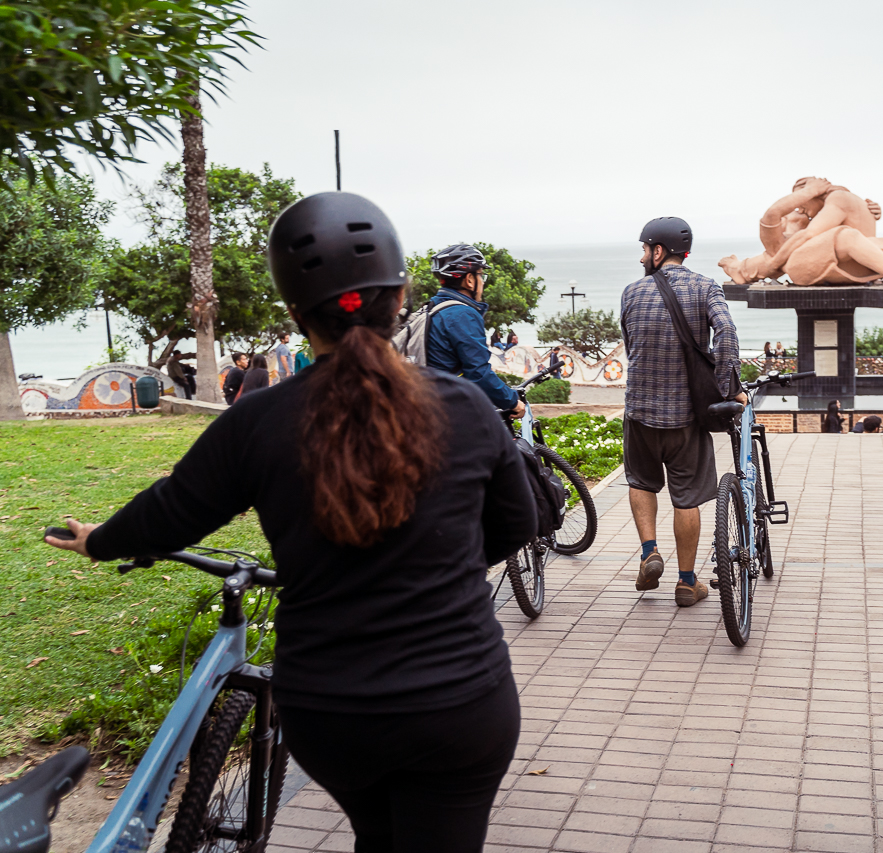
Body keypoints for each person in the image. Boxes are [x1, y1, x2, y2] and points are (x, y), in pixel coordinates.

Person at [46, 192, 536, 852]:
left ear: (295, 312)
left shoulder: (257, 422)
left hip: (333, 717)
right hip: (460, 705)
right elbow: (516, 523)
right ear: (399, 297)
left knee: (378, 832)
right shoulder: (469, 410)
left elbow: (171, 511)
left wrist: (97, 539)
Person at [621, 216, 744, 608]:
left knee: (641, 482)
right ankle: (687, 583)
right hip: (687, 417)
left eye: (644, 249)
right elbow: (727, 333)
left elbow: (630, 345)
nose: (642, 256)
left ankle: (649, 553)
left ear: (658, 251)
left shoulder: (631, 293)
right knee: (686, 499)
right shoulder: (707, 287)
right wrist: (727, 387)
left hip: (640, 411)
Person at [718, 177, 883, 290]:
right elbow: (772, 217)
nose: (800, 209)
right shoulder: (784, 227)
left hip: (835, 264)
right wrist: (807, 193)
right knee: (846, 235)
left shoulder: (829, 207)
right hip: (793, 266)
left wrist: (865, 211)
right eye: (796, 207)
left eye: (802, 202)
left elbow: (861, 244)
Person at [422, 245, 525, 418]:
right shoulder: (462, 314)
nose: (483, 282)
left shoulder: (430, 309)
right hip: (450, 413)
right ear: (469, 280)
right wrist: (513, 401)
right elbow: (478, 373)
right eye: (481, 275)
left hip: (426, 405)